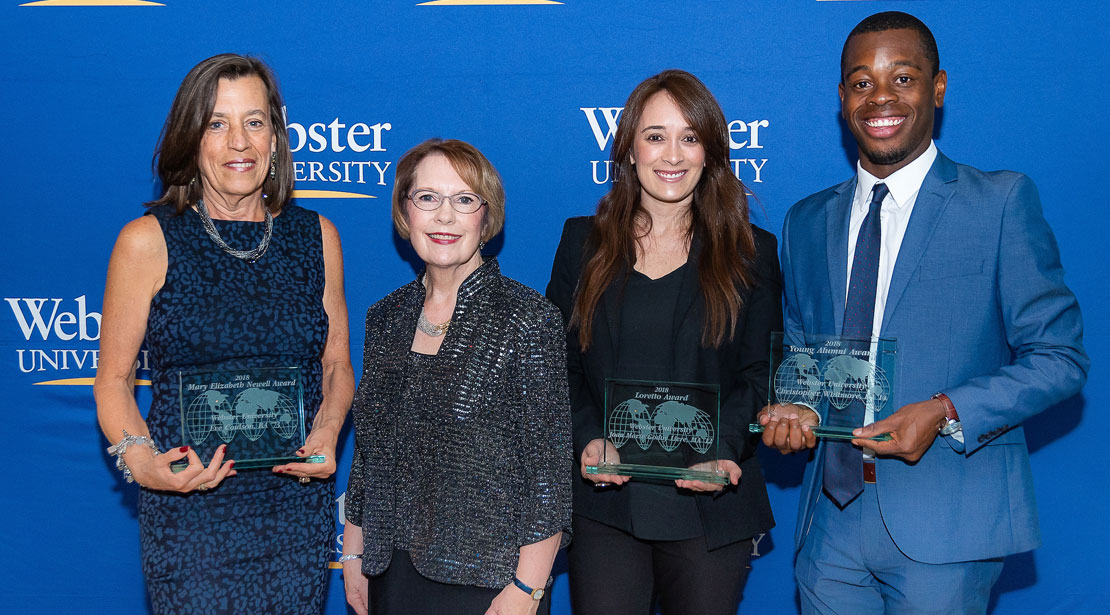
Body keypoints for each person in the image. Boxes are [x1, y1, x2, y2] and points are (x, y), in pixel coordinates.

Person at [758, 11, 1089, 615]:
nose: (880, 98)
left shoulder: (1000, 202)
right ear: (841, 98)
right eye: (861, 83)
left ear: (938, 86)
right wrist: (797, 404)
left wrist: (945, 410)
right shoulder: (804, 221)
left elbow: (1060, 359)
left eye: (902, 78)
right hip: (829, 524)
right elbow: (805, 353)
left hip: (948, 520)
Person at [94, 54, 355, 614]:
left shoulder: (317, 238)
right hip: (192, 513)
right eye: (217, 123)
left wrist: (329, 431)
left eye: (254, 122)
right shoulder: (147, 241)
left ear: (277, 137)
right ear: (192, 139)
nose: (239, 142)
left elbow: (336, 367)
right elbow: (113, 381)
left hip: (294, 510)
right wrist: (144, 464)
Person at [546, 70, 781, 615]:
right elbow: (557, 365)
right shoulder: (582, 242)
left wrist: (719, 448)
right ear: (628, 148)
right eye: (654, 136)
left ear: (711, 151)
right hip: (606, 501)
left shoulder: (753, 251)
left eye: (689, 137)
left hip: (710, 502)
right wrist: (588, 439)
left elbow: (760, 372)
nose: (671, 154)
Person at [341, 138, 572, 615]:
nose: (444, 216)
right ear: (405, 213)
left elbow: (547, 475)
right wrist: (354, 552)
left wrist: (527, 590)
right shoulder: (386, 317)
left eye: (464, 200)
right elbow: (369, 455)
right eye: (427, 198)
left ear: (485, 218)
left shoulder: (528, 319)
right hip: (390, 574)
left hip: (491, 583)